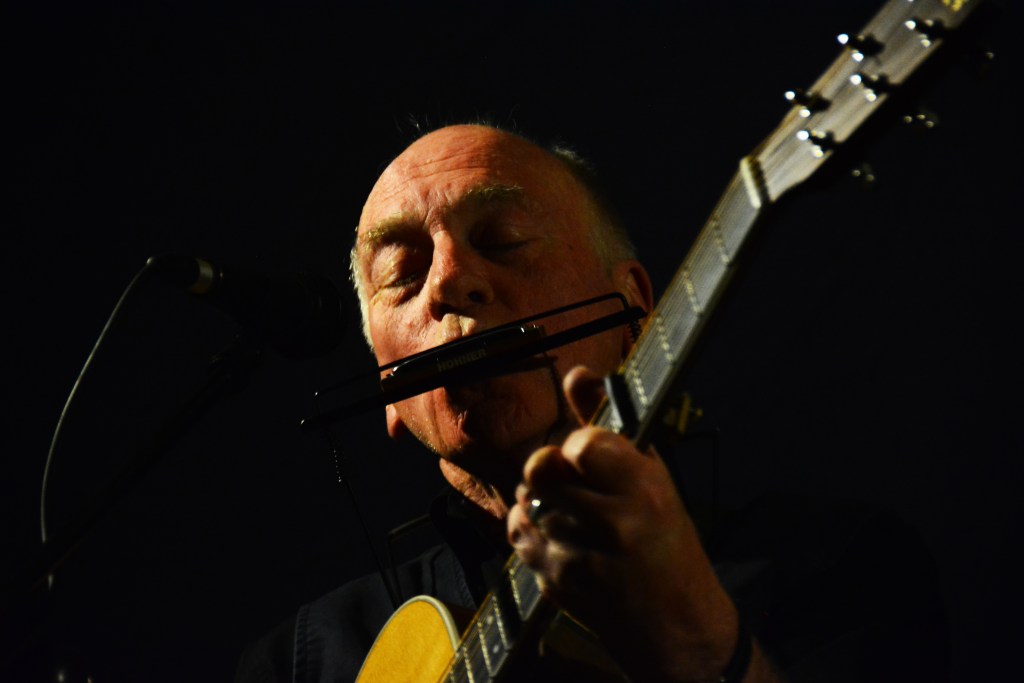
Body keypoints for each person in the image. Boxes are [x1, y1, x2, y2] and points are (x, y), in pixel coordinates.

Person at [236, 124, 948, 682]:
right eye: (403, 271)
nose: (449, 281)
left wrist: (695, 639)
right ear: (388, 389)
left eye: (503, 240)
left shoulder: (840, 569)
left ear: (634, 307)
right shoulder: (304, 661)